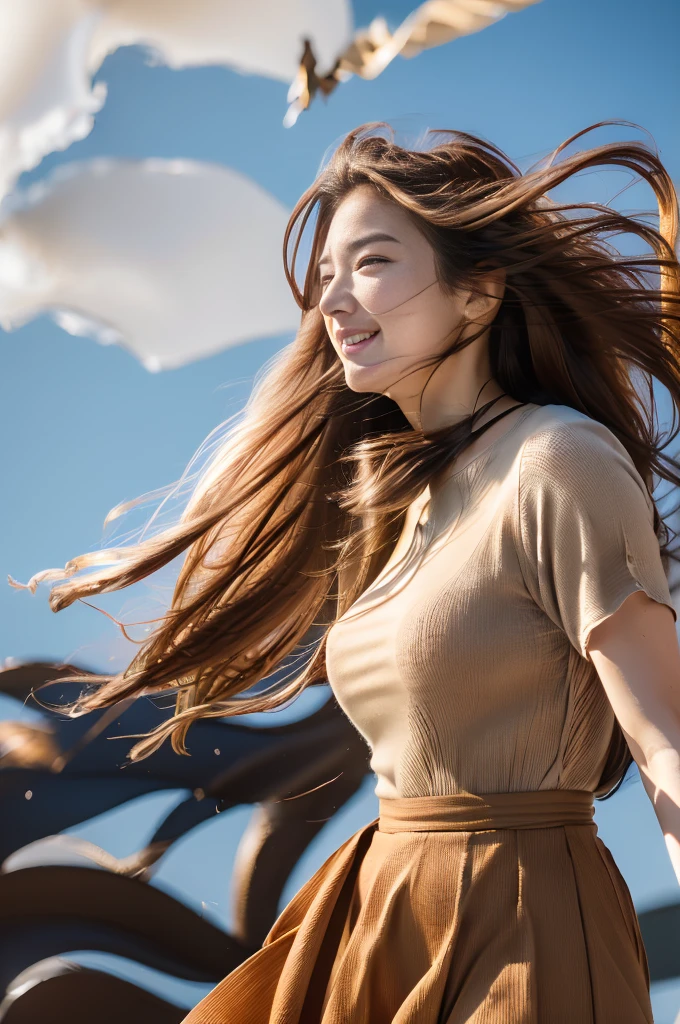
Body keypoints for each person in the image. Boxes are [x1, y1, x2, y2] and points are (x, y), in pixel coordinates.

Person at [22, 123, 680, 1021]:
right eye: (326, 275)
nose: (334, 299)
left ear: (479, 293)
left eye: (371, 262)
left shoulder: (557, 460)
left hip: (521, 922)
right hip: (383, 910)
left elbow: (664, 739)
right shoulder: (400, 496)